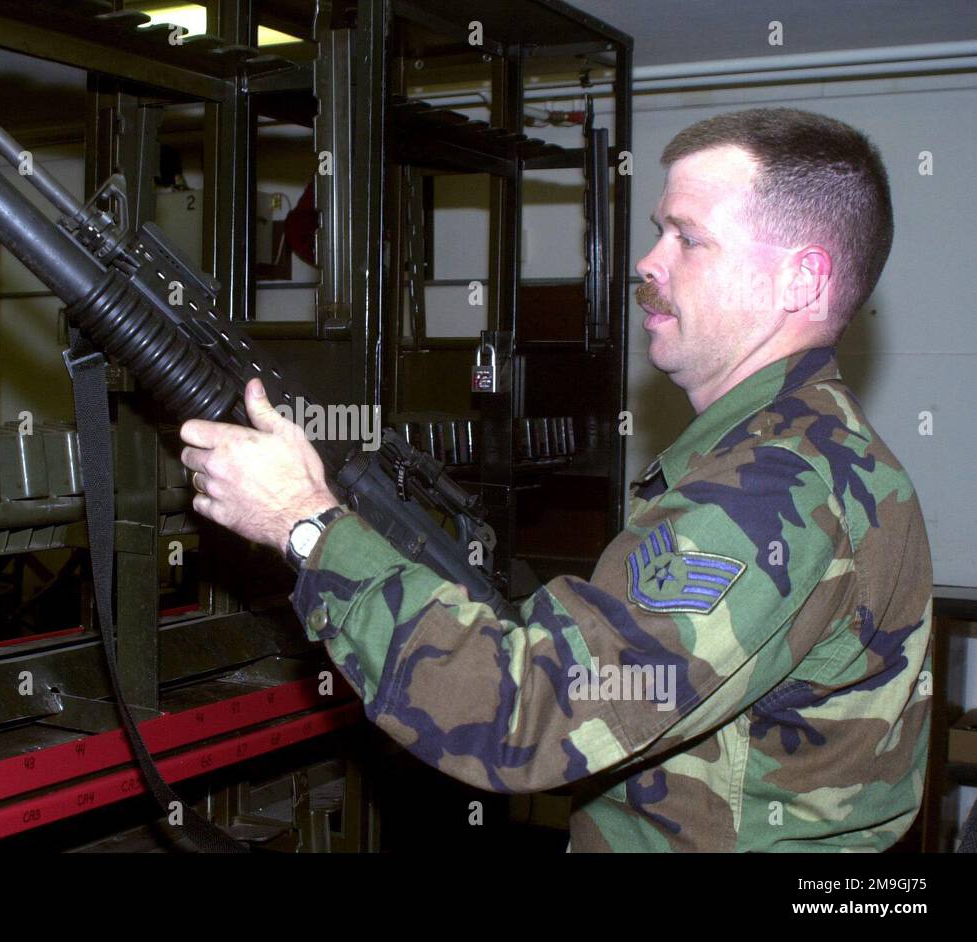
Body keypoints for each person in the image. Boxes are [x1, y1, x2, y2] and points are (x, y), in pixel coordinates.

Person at [178, 108, 933, 852]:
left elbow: (524, 713)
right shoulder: (797, 449)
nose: (649, 261)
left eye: (689, 238)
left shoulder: (776, 487)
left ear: (801, 279)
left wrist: (302, 523)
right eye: (657, 230)